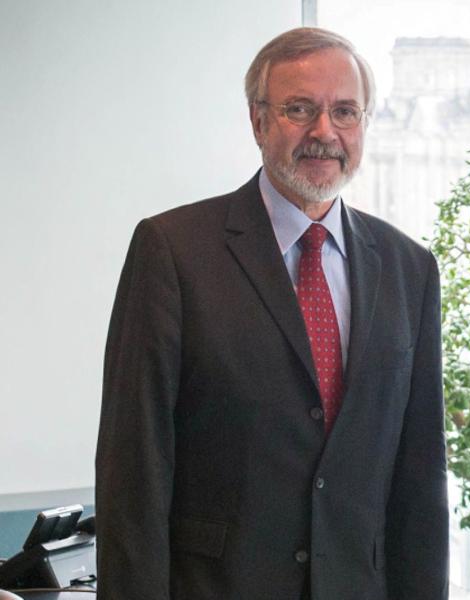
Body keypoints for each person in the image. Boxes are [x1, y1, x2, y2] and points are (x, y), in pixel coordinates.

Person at [95, 27, 448, 600]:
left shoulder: (410, 268)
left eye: (345, 111)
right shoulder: (173, 250)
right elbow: (133, 465)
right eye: (299, 109)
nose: (324, 132)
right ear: (258, 121)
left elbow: (420, 475)